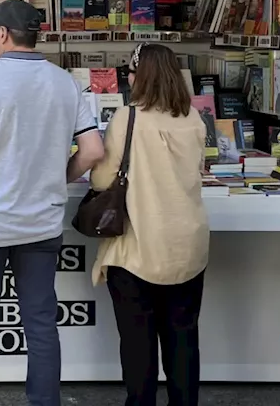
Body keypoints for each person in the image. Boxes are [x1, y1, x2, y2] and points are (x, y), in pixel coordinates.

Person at [0, 0, 105, 406]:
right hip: (42, 224)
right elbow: (92, 150)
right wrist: (58, 176)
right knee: (41, 323)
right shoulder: (63, 82)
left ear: (0, 33)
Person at [91, 43, 208, 406]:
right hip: (187, 245)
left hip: (138, 245)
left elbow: (102, 179)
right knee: (183, 337)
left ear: (142, 76)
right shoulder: (193, 117)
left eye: (130, 71)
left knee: (138, 343)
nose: (127, 77)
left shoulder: (128, 118)